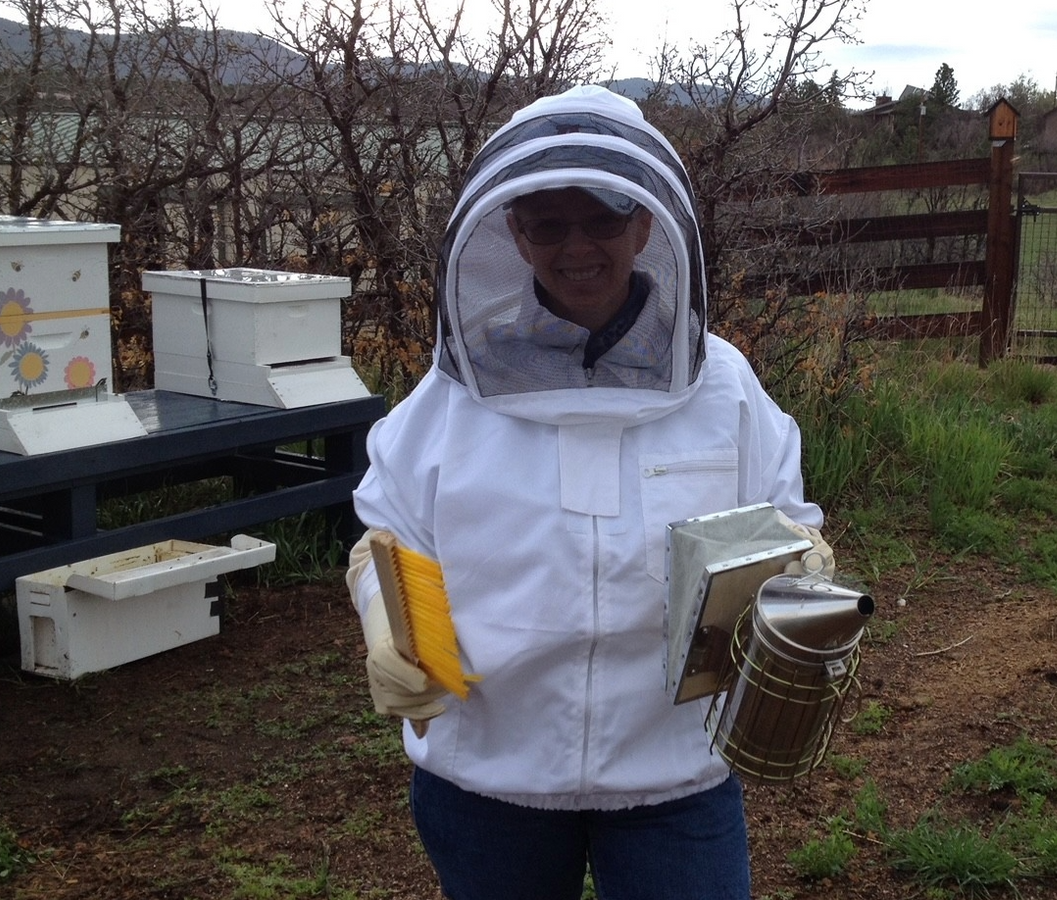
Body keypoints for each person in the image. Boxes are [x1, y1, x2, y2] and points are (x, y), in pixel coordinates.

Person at [346, 84, 830, 900]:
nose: (578, 246)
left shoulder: (725, 388)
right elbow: (386, 535)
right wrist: (381, 618)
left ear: (646, 225)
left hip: (673, 772)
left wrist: (802, 556)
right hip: (490, 774)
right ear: (514, 230)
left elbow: (781, 523)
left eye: (603, 217)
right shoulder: (452, 391)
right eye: (549, 222)